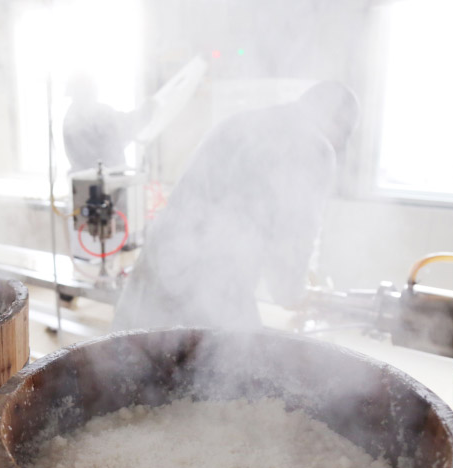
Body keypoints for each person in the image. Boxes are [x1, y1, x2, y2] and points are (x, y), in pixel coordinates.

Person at [112, 81, 359, 331]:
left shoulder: (241, 122)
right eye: (341, 137)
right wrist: (297, 292)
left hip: (154, 269)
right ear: (334, 121)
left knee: (127, 363)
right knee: (235, 364)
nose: (337, 146)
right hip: (209, 290)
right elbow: (290, 258)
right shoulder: (315, 148)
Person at [62, 73, 152, 173]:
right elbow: (128, 124)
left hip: (84, 182)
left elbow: (112, 139)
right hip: (104, 182)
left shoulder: (71, 115)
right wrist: (150, 108)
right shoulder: (96, 113)